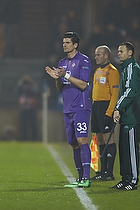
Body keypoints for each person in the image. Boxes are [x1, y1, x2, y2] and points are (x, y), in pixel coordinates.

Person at [45, 32, 91, 188]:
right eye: (63, 42)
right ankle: (79, 178)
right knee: (73, 143)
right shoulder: (62, 62)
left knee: (82, 140)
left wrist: (67, 75)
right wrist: (58, 78)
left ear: (75, 44)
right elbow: (60, 88)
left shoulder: (83, 61)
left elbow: (84, 84)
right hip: (68, 108)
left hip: (81, 107)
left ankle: (86, 178)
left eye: (67, 42)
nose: (64, 44)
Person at [111, 42, 140, 190]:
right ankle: (125, 178)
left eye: (121, 51)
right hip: (126, 115)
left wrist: (117, 108)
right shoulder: (126, 69)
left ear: (130, 53)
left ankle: (133, 181)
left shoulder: (131, 68)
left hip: (132, 117)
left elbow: (130, 91)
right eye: (118, 51)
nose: (118, 53)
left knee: (132, 150)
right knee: (124, 149)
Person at [91, 45, 120, 181]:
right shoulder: (97, 71)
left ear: (106, 56)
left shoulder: (112, 71)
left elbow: (115, 94)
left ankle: (109, 173)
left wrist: (110, 112)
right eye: (95, 55)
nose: (95, 57)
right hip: (96, 106)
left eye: (98, 55)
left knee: (109, 138)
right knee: (100, 139)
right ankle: (102, 171)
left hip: (106, 106)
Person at [14, 75, 40, 141]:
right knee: (23, 125)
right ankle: (24, 139)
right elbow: (16, 92)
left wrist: (31, 82)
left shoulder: (32, 86)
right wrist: (20, 84)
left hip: (31, 108)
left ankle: (34, 139)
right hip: (23, 108)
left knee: (33, 125)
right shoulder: (21, 86)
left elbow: (36, 91)